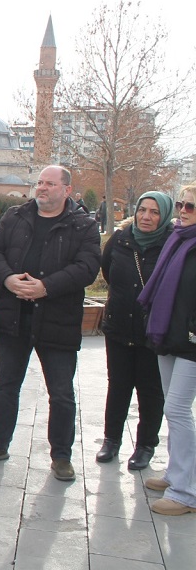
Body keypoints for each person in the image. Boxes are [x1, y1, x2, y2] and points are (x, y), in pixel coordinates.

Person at [0, 165, 100, 482]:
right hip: (14, 316)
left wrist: (47, 287)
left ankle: (61, 456)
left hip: (57, 320)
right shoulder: (16, 215)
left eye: (50, 184)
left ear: (67, 190)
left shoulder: (83, 225)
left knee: (61, 394)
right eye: (39, 182)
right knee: (5, 387)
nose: (41, 188)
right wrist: (7, 279)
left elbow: (87, 268)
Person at [96, 191, 171, 470]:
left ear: (164, 215)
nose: (146, 217)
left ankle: (145, 446)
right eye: (143, 210)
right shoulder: (121, 239)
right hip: (118, 326)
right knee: (118, 385)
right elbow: (107, 270)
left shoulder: (170, 243)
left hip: (152, 331)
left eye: (154, 212)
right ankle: (111, 440)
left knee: (150, 390)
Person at [137, 184, 196, 515]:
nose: (184, 211)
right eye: (181, 204)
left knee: (177, 409)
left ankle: (186, 492)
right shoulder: (177, 239)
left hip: (191, 343)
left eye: (191, 207)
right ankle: (177, 473)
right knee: (173, 407)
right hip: (168, 336)